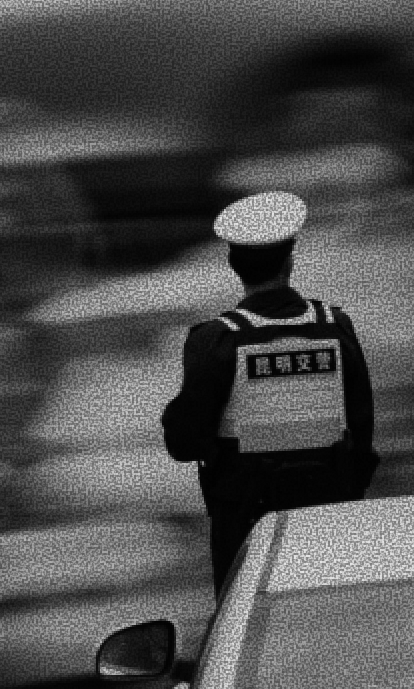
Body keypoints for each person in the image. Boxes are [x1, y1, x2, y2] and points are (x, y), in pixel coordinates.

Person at [161, 190, 379, 600]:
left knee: (251, 618)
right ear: (290, 260)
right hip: (329, 517)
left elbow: (184, 442)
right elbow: (363, 431)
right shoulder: (335, 327)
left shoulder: (217, 340)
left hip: (247, 525)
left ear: (233, 264)